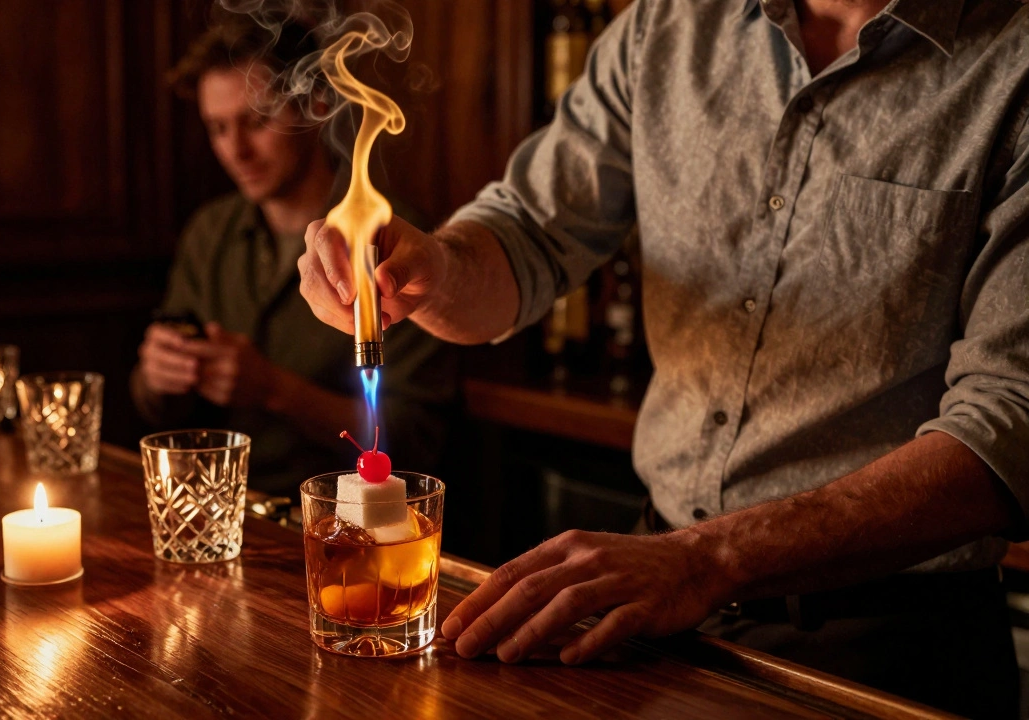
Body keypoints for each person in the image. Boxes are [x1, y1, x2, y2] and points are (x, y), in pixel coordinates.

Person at [299, 0, 1029, 715]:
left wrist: (708, 559)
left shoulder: (1012, 55)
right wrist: (439, 266)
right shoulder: (667, 23)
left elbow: (1010, 424)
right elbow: (528, 234)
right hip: (657, 611)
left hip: (886, 643)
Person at [131, 20, 456, 497]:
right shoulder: (210, 232)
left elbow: (417, 438)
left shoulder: (394, 242)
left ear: (316, 105)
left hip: (341, 519)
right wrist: (155, 376)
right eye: (217, 129)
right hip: (223, 508)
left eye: (257, 121)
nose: (235, 150)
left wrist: (274, 389)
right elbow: (158, 409)